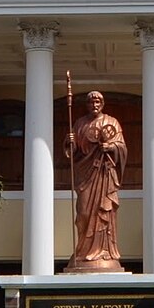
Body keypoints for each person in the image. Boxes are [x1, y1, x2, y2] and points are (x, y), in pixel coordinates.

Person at [64, 90, 127, 272]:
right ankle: (83, 252)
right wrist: (70, 142)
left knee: (104, 214)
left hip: (105, 174)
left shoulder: (111, 122)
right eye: (91, 102)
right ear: (87, 105)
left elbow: (122, 147)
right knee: (83, 214)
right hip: (86, 175)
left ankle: (105, 252)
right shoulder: (79, 123)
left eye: (98, 101)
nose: (94, 105)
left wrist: (111, 147)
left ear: (103, 104)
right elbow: (74, 152)